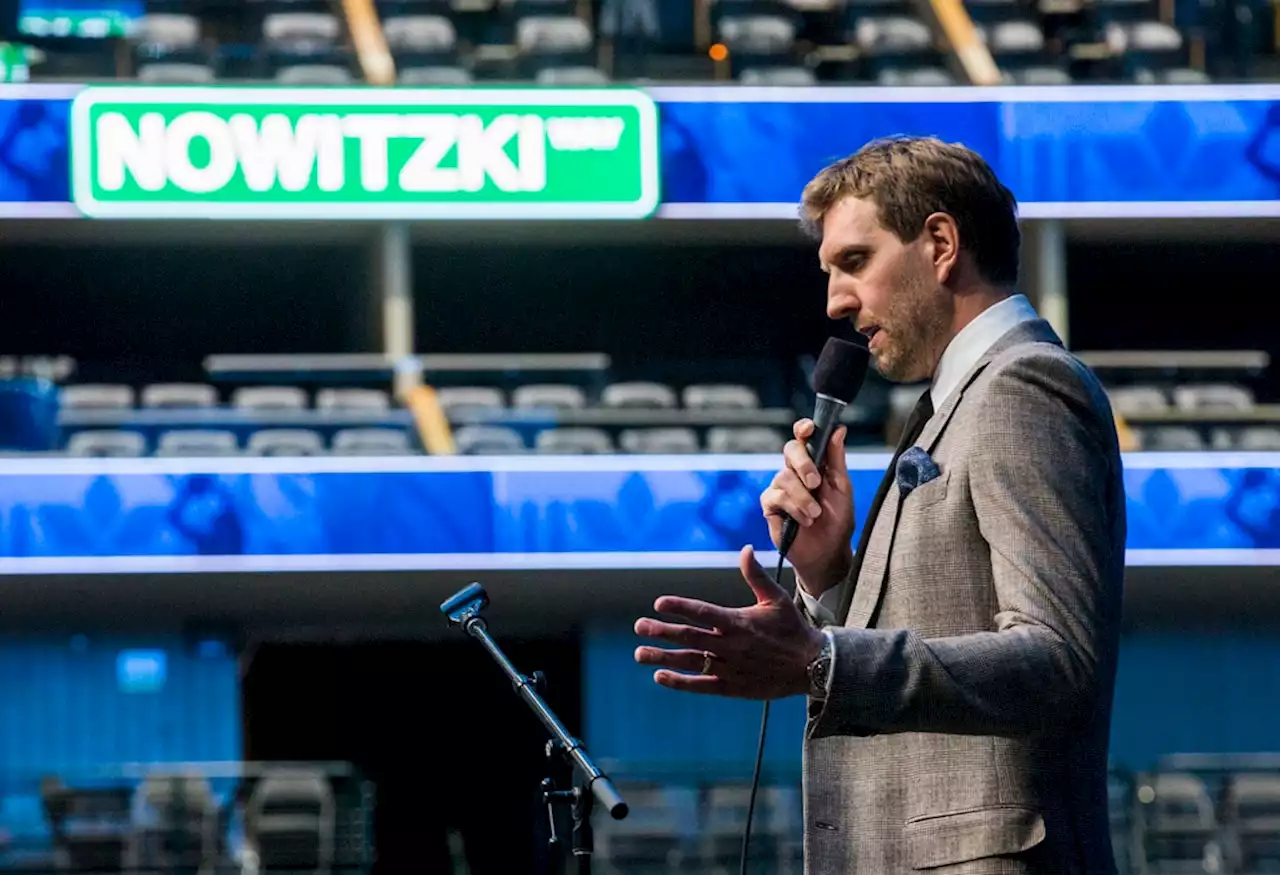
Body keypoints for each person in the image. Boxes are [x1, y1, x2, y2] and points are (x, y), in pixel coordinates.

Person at [633, 136, 1126, 874]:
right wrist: (831, 573)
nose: (834, 300)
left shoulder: (1024, 386)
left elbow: (1058, 660)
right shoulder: (949, 405)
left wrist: (822, 658)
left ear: (940, 243)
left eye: (855, 262)